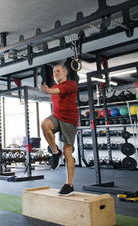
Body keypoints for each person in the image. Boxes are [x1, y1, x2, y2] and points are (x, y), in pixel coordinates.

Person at [41, 64, 78, 196]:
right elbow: (54, 90)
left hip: (69, 120)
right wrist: (49, 89)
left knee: (68, 152)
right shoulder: (53, 87)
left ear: (65, 72)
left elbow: (58, 91)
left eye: (58, 71)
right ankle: (56, 152)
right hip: (56, 116)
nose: (55, 73)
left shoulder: (71, 84)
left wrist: (48, 90)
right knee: (44, 124)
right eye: (54, 72)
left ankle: (69, 184)